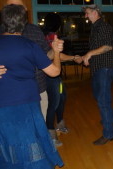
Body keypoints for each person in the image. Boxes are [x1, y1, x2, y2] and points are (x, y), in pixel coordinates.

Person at [0, 4, 64, 169]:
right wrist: (55, 51)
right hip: (23, 105)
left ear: (4, 22)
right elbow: (54, 72)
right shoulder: (28, 45)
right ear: (23, 23)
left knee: (3, 144)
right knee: (29, 146)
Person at [76, 4, 113, 145]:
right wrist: (83, 57)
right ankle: (112, 117)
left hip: (104, 68)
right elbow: (95, 49)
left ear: (95, 12)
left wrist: (89, 54)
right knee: (97, 95)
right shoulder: (95, 28)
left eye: (87, 13)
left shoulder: (104, 26)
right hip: (97, 68)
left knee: (103, 100)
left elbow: (107, 46)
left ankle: (108, 134)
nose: (86, 16)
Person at [43, 12, 79, 147]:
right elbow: (58, 55)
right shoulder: (52, 35)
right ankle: (51, 134)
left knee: (62, 97)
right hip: (51, 75)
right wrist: (74, 57)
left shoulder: (44, 34)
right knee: (54, 102)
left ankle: (60, 124)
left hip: (50, 75)